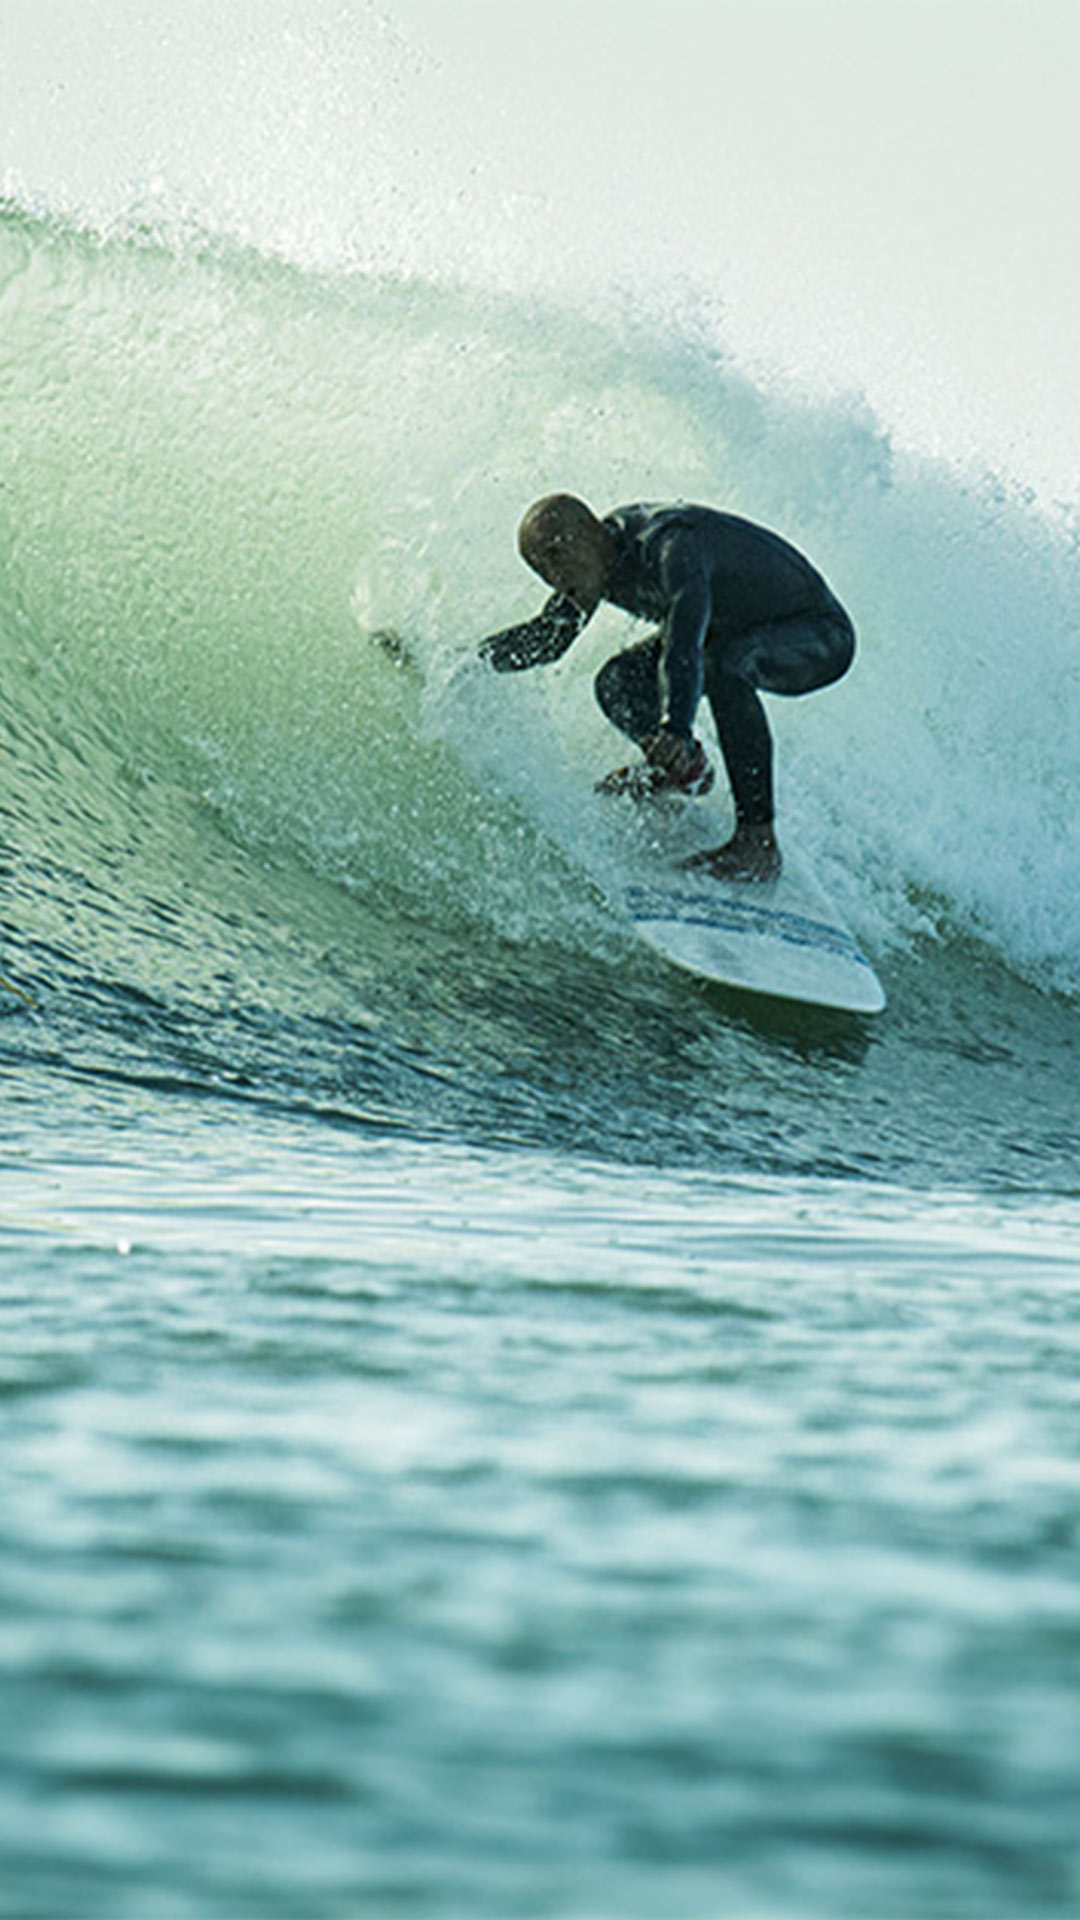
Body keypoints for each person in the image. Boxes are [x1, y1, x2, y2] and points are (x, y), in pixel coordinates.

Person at [479, 494, 855, 882]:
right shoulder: (591, 566)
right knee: (617, 682)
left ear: (591, 532)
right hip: (730, 633)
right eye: (544, 571)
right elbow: (548, 639)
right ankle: (682, 770)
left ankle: (757, 842)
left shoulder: (670, 546)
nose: (557, 580)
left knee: (726, 664)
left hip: (819, 636)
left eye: (558, 560)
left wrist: (676, 726)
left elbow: (684, 641)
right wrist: (468, 661)